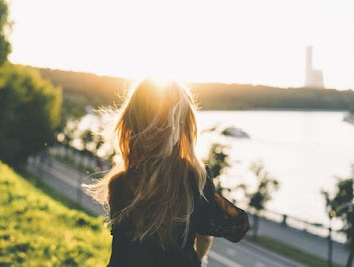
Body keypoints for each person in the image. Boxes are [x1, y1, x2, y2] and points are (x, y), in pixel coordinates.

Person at [85, 78, 249, 267]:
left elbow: (125, 250)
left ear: (131, 123)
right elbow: (206, 236)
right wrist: (199, 257)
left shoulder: (119, 183)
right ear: (184, 126)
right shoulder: (196, 179)